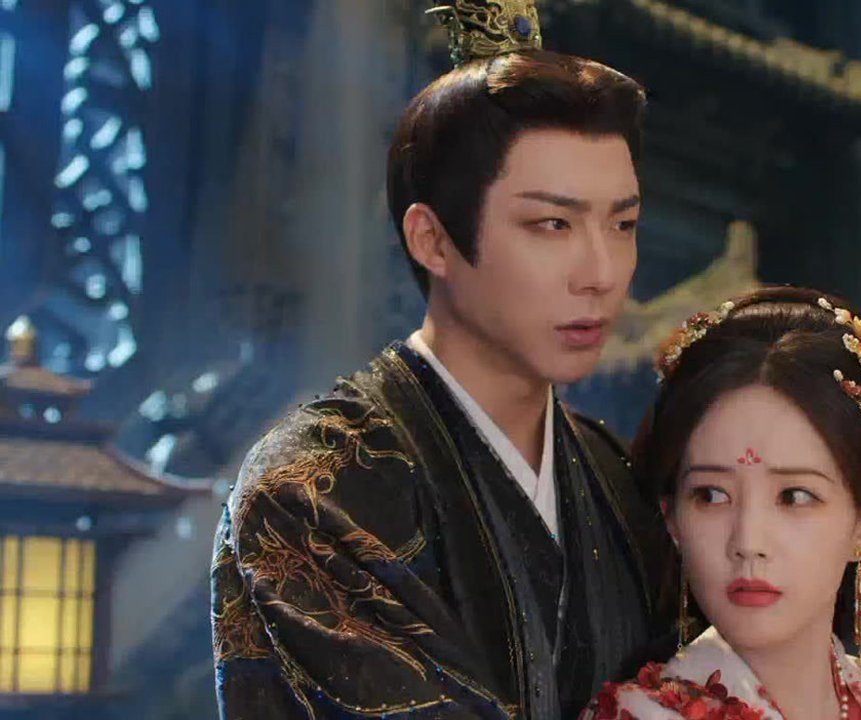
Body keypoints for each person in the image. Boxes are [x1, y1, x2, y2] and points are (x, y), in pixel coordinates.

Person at [210, 2, 671, 717]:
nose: (602, 273)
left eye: (623, 224)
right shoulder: (315, 486)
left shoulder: (612, 477)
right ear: (432, 239)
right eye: (552, 223)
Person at [583, 286, 861, 720]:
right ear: (672, 520)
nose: (748, 542)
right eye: (711, 495)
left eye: (794, 496)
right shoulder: (639, 715)